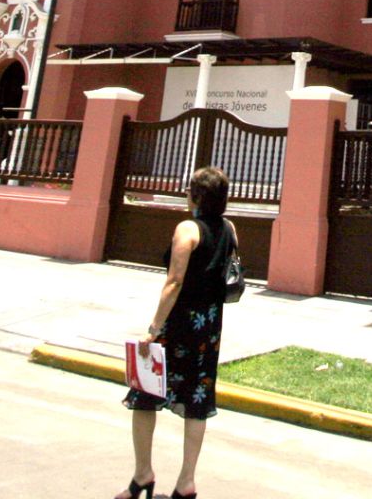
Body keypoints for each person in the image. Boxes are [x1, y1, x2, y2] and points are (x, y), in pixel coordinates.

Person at [123, 166, 235, 499]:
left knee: (145, 394)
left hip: (178, 325)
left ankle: (143, 474)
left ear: (198, 195)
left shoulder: (187, 228)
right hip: (209, 329)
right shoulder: (230, 229)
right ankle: (186, 481)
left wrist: (152, 329)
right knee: (197, 401)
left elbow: (174, 281)